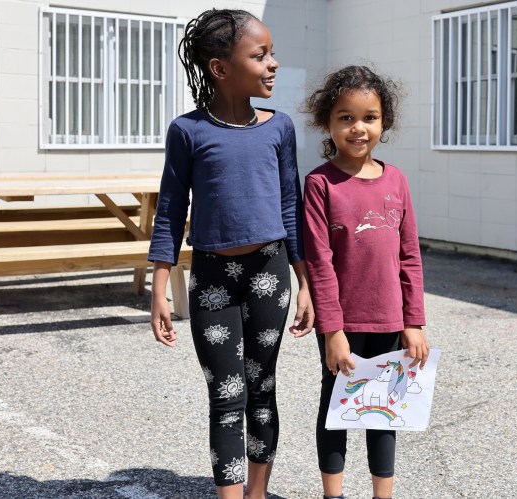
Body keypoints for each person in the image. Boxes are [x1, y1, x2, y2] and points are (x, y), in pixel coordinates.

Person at [147, 8, 314, 499]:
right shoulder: (188, 131)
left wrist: (306, 282)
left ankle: (257, 494)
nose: (273, 63)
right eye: (260, 55)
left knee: (262, 389)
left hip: (270, 273)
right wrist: (159, 288)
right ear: (221, 68)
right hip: (212, 278)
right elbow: (170, 212)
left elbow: (291, 207)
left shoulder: (279, 128)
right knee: (226, 395)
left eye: (272, 53)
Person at [301, 65, 430, 499]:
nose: (359, 128)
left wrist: (414, 321)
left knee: (383, 412)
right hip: (343, 324)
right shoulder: (320, 184)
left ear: (384, 121)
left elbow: (410, 257)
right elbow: (319, 263)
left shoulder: (398, 181)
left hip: (390, 320)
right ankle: (332, 495)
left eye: (369, 117)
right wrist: (332, 330)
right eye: (346, 117)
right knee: (336, 410)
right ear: (328, 122)